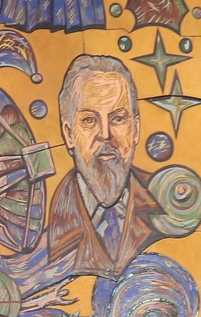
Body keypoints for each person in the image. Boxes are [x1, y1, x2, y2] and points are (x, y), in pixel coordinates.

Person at [42, 55, 174, 278]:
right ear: (69, 134)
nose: (105, 134)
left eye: (118, 118)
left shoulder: (170, 203)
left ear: (136, 130)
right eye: (89, 120)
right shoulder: (40, 228)